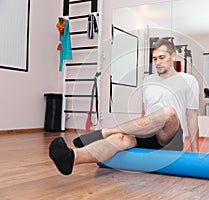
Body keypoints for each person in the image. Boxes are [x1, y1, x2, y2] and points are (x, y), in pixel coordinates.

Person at [49, 38, 200, 175]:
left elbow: (192, 117)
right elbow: (144, 116)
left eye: (162, 57)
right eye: (154, 59)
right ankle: (72, 157)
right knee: (120, 138)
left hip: (170, 136)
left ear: (173, 56)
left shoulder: (188, 80)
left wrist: (196, 154)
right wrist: (137, 134)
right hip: (150, 131)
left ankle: (106, 131)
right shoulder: (148, 80)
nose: (158, 62)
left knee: (168, 112)